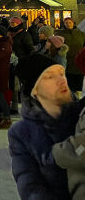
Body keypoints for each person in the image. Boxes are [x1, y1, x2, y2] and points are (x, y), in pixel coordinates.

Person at [9, 53, 83, 199]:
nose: (61, 80)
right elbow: (28, 184)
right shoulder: (23, 134)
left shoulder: (81, 113)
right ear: (34, 89)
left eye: (61, 73)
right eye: (50, 76)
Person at [8, 16, 34, 113]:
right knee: (14, 85)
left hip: (22, 63)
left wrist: (25, 60)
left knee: (24, 86)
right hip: (12, 63)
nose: (11, 25)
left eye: (13, 23)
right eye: (10, 23)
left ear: (18, 24)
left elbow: (30, 49)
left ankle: (28, 105)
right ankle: (14, 106)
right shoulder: (9, 33)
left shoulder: (24, 35)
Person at [55, 17, 85, 93]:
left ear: (73, 23)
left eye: (70, 22)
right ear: (64, 24)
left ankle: (78, 98)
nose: (68, 24)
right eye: (66, 23)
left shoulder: (81, 34)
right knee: (69, 85)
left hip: (79, 62)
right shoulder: (59, 34)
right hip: (66, 62)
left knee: (79, 85)